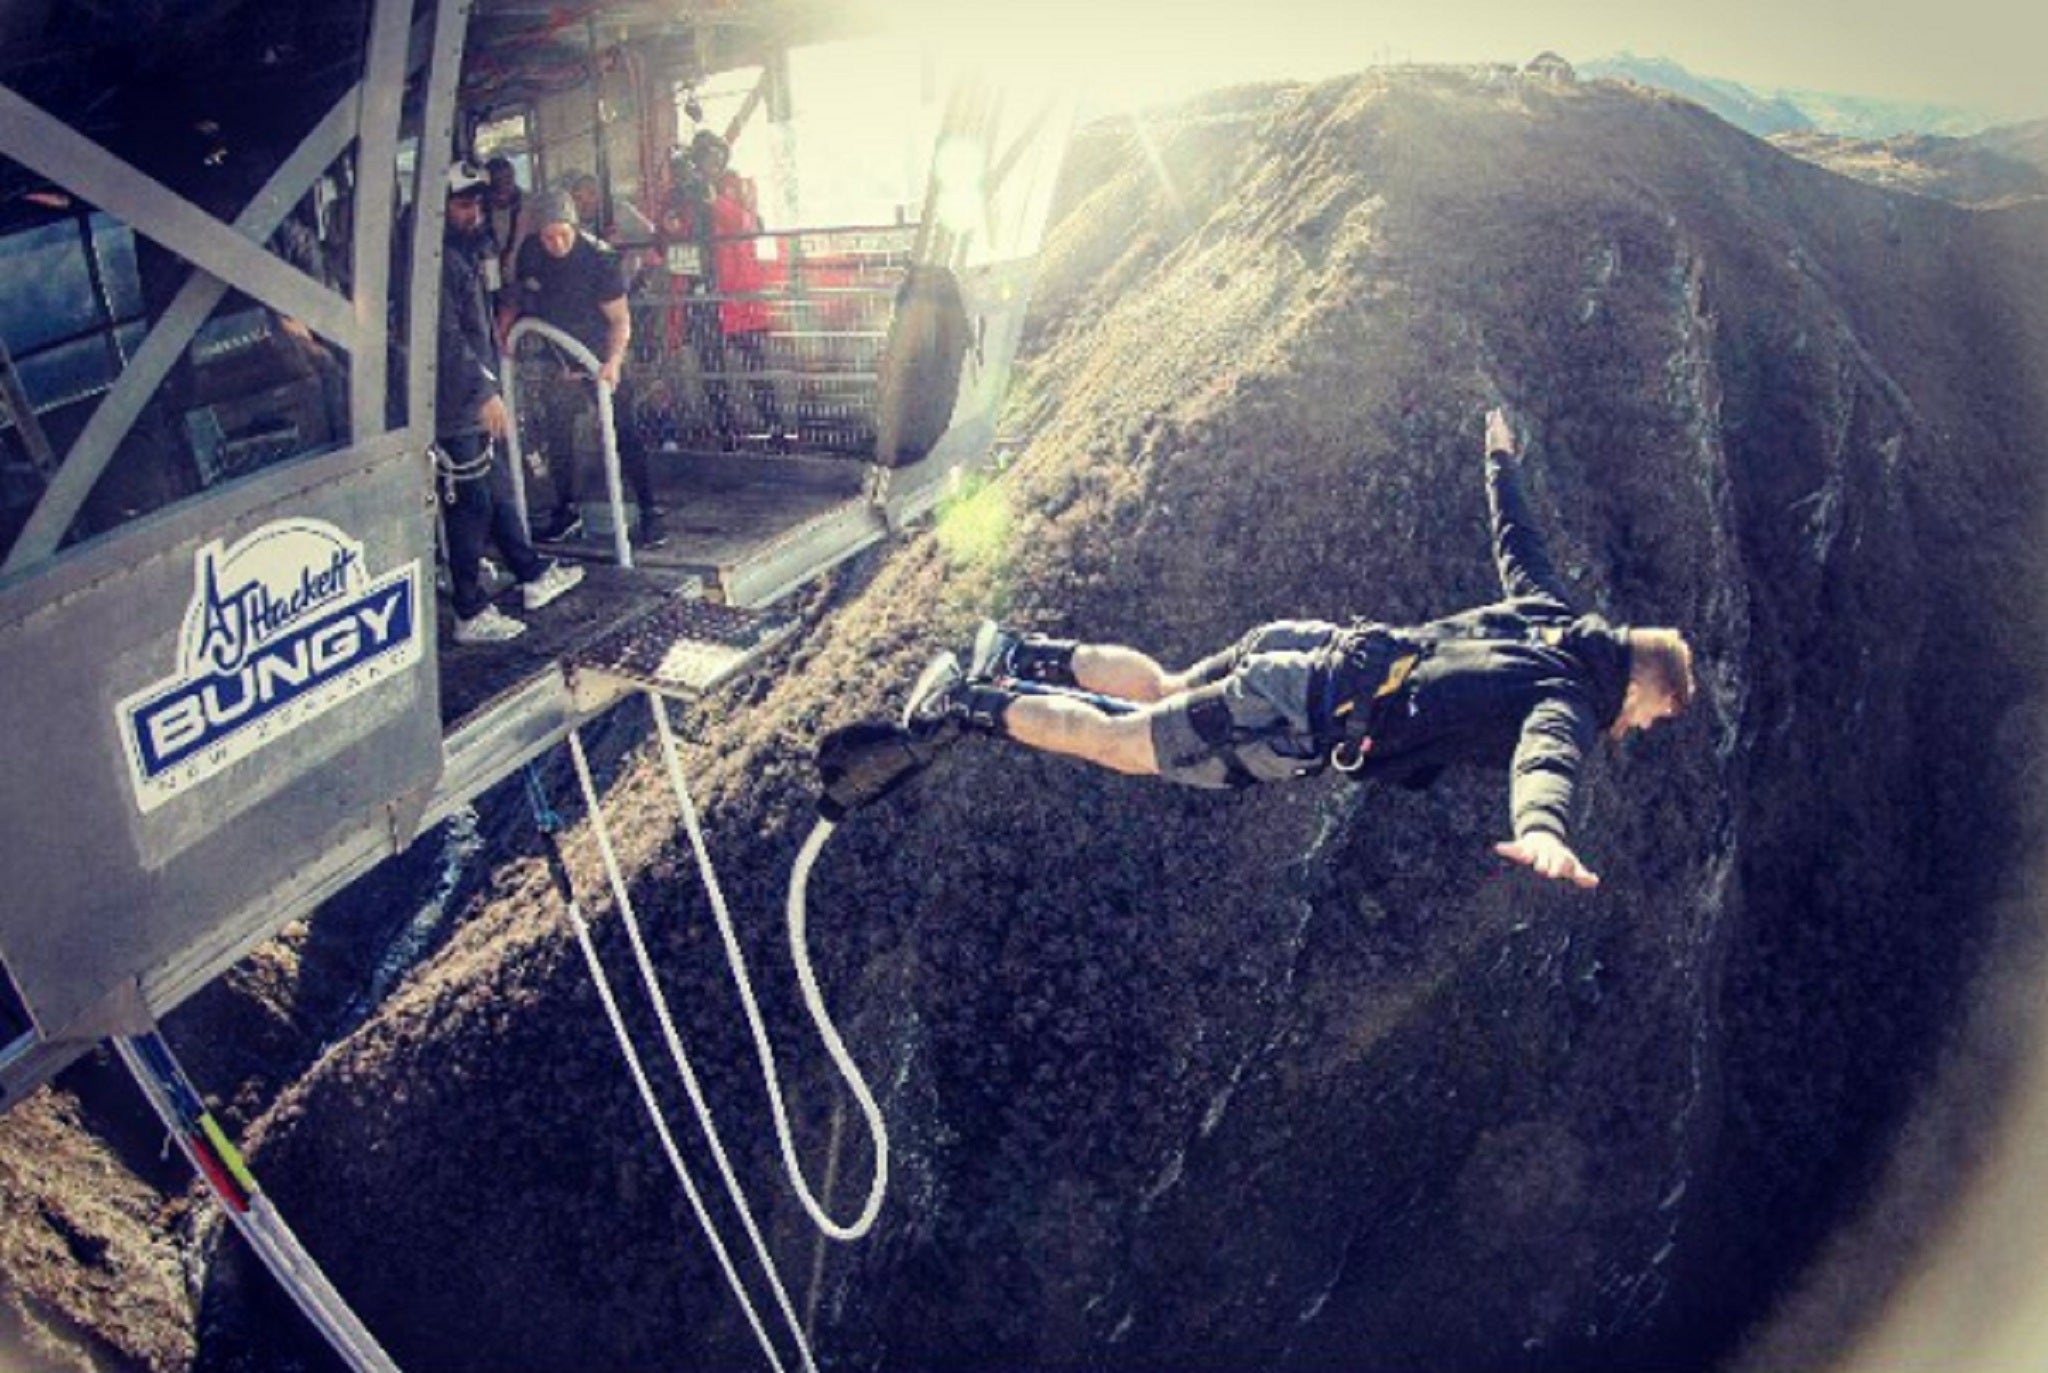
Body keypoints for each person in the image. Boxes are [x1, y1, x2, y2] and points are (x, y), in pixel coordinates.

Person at [905, 409, 1695, 888]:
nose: (1651, 726)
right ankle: (965, 700)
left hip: (1315, 646)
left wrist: (1500, 461)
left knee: (1161, 685)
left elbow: (1518, 542)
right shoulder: (1572, 707)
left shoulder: (1552, 616)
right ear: (1640, 685)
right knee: (1120, 742)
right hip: (1302, 711)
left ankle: (1013, 652)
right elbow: (1546, 760)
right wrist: (1544, 833)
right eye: (1658, 713)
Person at [435, 162, 583, 643]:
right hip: (456, 401)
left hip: (473, 393)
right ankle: (469, 610)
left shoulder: (464, 253)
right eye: (462, 203)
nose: (473, 211)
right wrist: (485, 393)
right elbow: (446, 339)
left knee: (495, 489)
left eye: (476, 203)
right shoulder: (435, 261)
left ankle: (532, 574)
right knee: (470, 501)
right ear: (439, 208)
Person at [499, 187, 666, 547]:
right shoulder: (530, 252)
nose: (556, 243)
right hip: (557, 353)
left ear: (575, 228)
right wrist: (505, 329)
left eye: (563, 234)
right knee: (557, 433)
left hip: (600, 352)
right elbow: (519, 294)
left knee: (624, 430)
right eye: (548, 236)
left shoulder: (598, 260)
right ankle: (565, 510)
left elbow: (620, 321)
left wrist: (614, 362)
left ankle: (650, 510)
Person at [693, 131, 785, 450]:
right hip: (703, 296)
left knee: (756, 366)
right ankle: (726, 435)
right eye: (705, 158)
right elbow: (669, 237)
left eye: (717, 157)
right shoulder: (688, 193)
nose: (712, 164)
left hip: (738, 296)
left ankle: (775, 430)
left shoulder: (740, 187)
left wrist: (714, 202)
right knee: (712, 371)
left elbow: (749, 225)